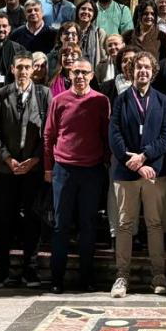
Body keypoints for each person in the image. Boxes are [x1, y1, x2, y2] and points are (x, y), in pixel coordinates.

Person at [108, 52, 166, 298]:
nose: (143, 71)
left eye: (147, 67)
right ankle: (121, 277)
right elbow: (114, 136)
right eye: (138, 67)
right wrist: (132, 162)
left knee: (154, 224)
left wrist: (144, 157)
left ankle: (158, 275)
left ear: (153, 72)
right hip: (125, 172)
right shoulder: (121, 100)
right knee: (125, 224)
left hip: (153, 171)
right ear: (131, 71)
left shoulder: (162, 100)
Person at [44, 57, 110, 294]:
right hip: (64, 169)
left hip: (92, 170)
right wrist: (48, 168)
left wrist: (105, 164)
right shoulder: (59, 101)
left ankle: (86, 279)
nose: (80, 76)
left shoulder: (101, 101)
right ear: (69, 75)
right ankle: (56, 278)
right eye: (76, 72)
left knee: (88, 226)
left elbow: (106, 136)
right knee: (61, 226)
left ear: (92, 75)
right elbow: (49, 135)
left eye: (85, 72)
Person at [0, 53, 50, 288]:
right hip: (6, 169)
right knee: (4, 219)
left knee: (32, 219)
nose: (23, 71)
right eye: (19, 67)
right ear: (12, 69)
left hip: (33, 168)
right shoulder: (1, 94)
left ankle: (30, 270)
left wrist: (35, 159)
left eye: (27, 67)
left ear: (34, 69)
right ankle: (2, 270)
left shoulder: (44, 94)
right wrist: (8, 159)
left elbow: (50, 132)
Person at [75, 0, 104, 69]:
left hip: (92, 72)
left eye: (90, 10)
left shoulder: (99, 32)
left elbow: (103, 57)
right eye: (83, 9)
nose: (86, 12)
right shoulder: (70, 30)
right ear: (78, 11)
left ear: (94, 14)